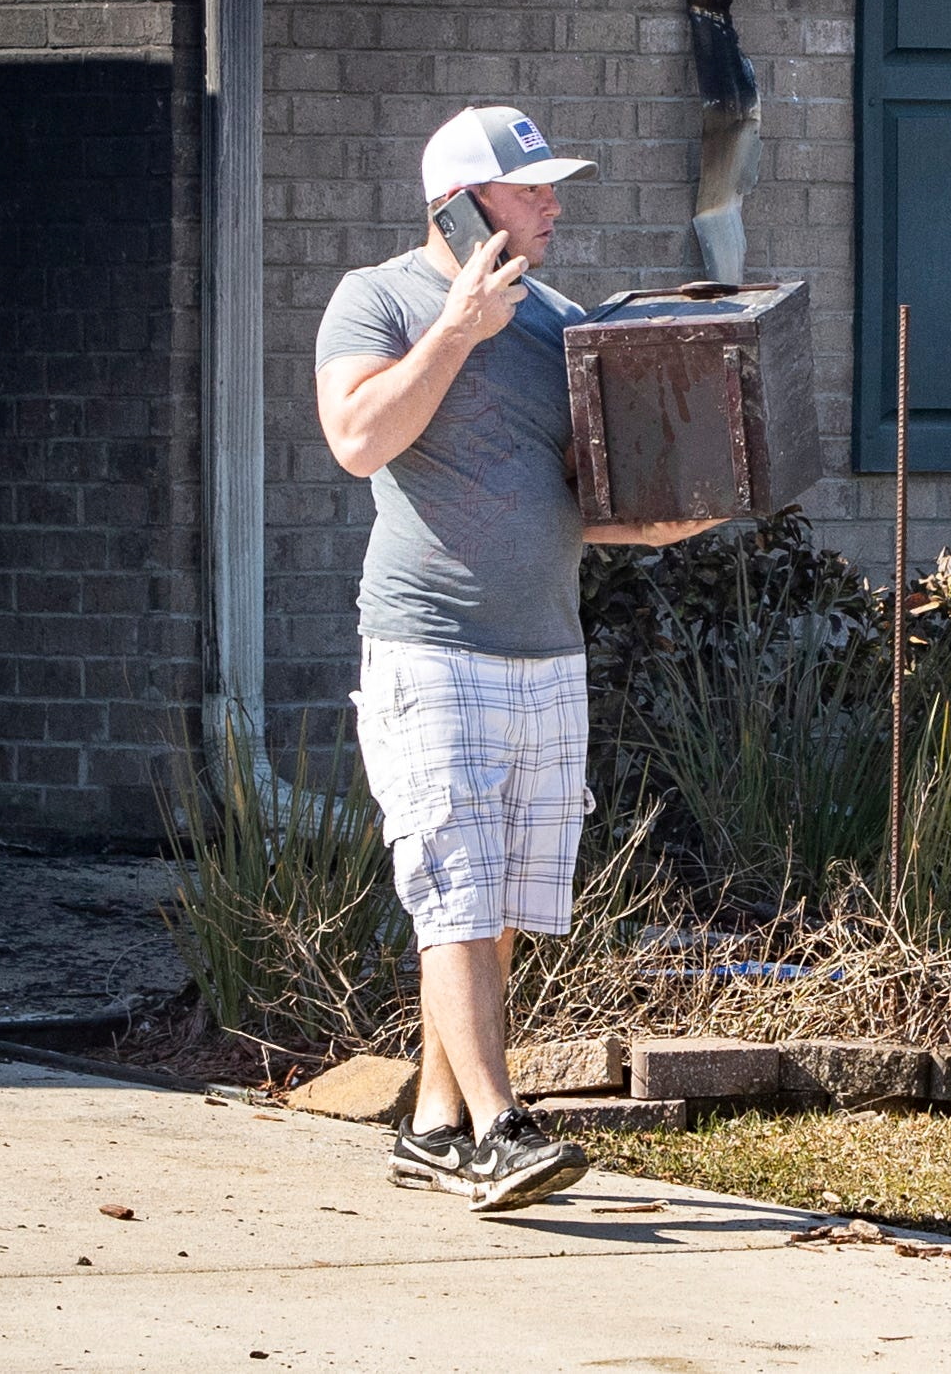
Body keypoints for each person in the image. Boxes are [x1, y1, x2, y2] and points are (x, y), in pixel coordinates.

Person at [314, 102, 630, 1216]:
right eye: (532, 187)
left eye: (553, 185)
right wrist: (455, 330)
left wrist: (675, 509)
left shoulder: (559, 319)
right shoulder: (379, 298)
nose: (553, 205)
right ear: (460, 204)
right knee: (450, 880)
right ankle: (501, 1127)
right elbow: (357, 441)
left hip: (547, 646)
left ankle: (436, 1123)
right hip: (429, 643)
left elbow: (589, 495)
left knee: (495, 897)